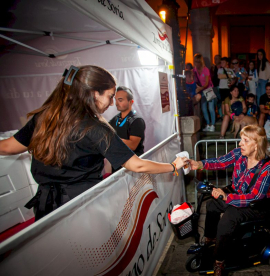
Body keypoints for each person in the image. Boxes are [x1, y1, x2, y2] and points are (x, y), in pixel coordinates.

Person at [0, 65, 188, 221]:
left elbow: (7, 147)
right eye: (110, 95)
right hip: (81, 208)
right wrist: (173, 166)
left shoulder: (43, 118)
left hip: (46, 208)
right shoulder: (95, 128)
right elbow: (136, 164)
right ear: (93, 94)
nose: (112, 102)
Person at [188, 125, 270, 276]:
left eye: (245, 141)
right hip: (238, 194)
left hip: (258, 206)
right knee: (212, 204)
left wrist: (227, 197)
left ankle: (219, 261)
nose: (240, 144)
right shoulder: (240, 154)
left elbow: (255, 196)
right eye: (241, 140)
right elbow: (221, 161)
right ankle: (211, 239)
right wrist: (199, 164)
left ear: (256, 145)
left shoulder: (267, 167)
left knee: (228, 218)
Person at [109, 86, 146, 157]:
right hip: (118, 163)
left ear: (131, 102)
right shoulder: (116, 118)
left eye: (120, 100)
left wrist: (111, 140)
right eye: (116, 100)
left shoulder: (137, 120)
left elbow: (132, 145)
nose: (116, 103)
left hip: (133, 164)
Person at [193, 53, 216, 132]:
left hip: (208, 89)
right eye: (195, 61)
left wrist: (200, 89)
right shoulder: (194, 70)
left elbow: (206, 83)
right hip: (201, 91)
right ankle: (208, 124)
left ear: (201, 62)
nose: (196, 63)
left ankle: (213, 125)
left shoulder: (206, 70)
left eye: (198, 62)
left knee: (211, 108)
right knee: (203, 108)